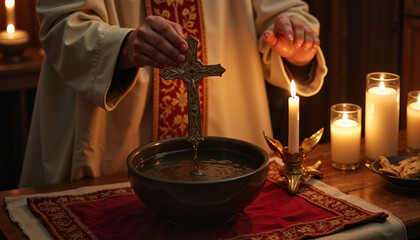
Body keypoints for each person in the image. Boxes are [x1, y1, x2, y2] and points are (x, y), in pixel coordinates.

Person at [19, 0, 327, 187]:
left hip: (227, 138)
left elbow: (281, 12)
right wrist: (123, 46)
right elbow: (62, 24)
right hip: (112, 149)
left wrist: (293, 40)